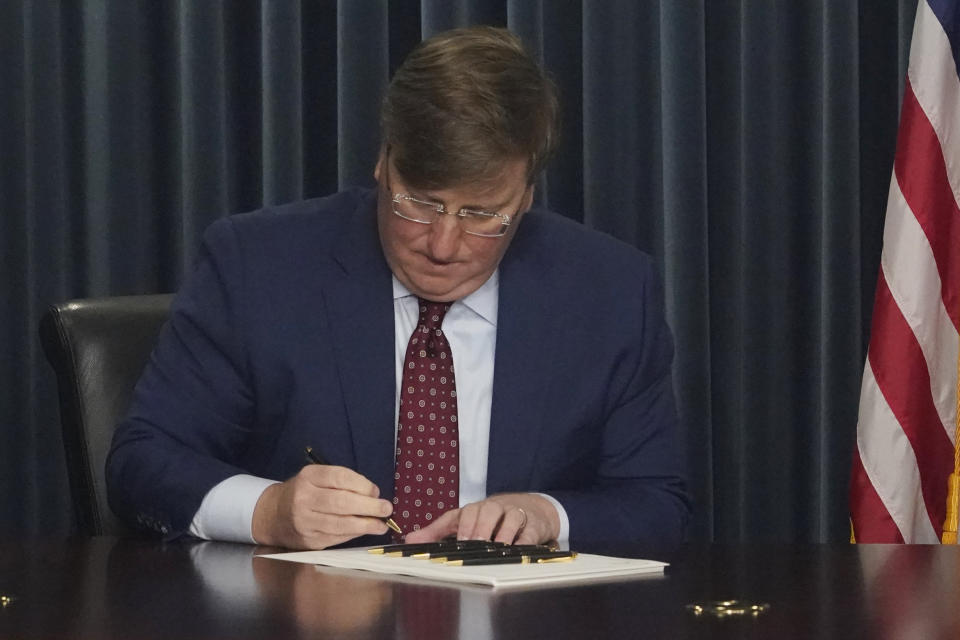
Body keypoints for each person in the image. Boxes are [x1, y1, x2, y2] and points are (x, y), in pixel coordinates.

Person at [106, 26, 690, 551]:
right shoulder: (257, 267)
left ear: (527, 195)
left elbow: (656, 502)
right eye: (420, 203)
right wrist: (268, 511)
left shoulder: (608, 291)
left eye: (482, 214)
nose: (442, 243)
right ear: (384, 162)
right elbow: (143, 463)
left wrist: (548, 516)